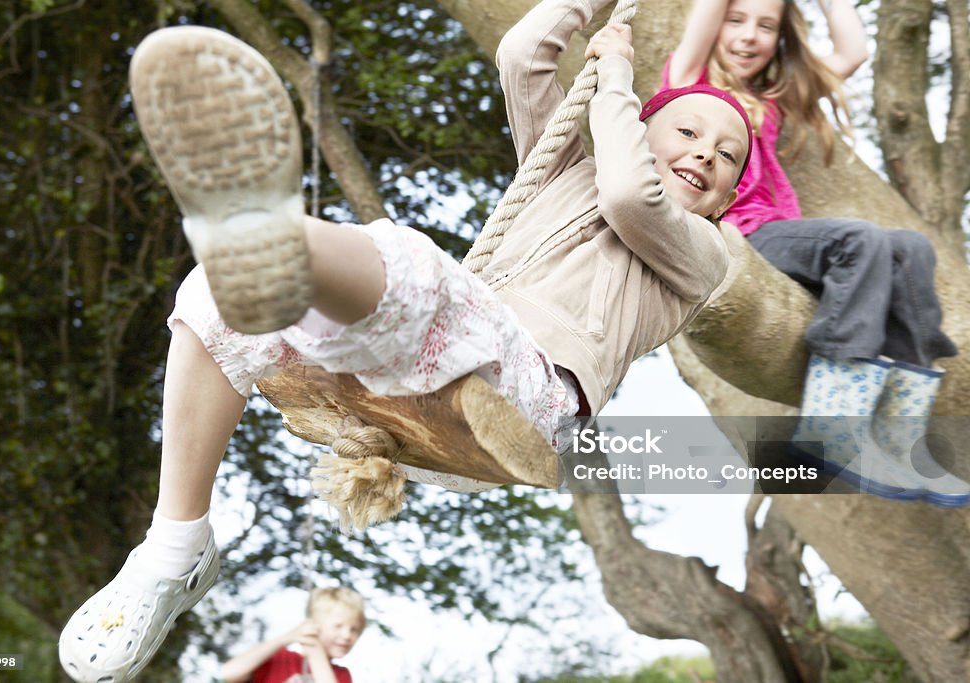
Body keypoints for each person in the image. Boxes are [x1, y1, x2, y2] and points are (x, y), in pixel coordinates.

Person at [57, 1, 753, 680]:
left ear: (723, 201)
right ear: (640, 128)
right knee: (212, 296)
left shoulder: (702, 252)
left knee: (410, 259)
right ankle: (174, 545)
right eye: (688, 132)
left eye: (726, 157)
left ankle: (274, 238)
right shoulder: (568, 168)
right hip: (431, 358)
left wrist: (618, 79)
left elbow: (632, 194)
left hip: (528, 396)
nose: (705, 154)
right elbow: (523, 54)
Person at [665, 0, 966, 505]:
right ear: (716, 26)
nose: (747, 36)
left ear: (780, 40)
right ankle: (831, 425)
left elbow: (853, 51)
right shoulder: (689, 85)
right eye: (736, 21)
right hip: (739, 236)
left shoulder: (773, 100)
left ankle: (900, 430)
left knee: (910, 249)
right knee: (859, 240)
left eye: (766, 26)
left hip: (784, 238)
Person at [220, 587, 365, 683]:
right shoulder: (281, 659)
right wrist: (289, 637)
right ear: (315, 624)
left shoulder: (341, 675)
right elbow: (230, 673)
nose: (347, 635)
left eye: (354, 630)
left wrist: (316, 654)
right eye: (338, 626)